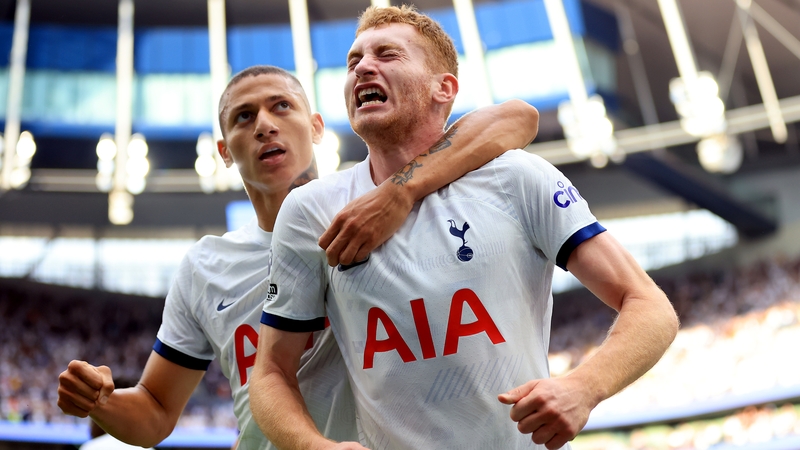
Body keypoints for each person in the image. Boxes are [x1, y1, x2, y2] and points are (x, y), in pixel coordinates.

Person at [251, 6, 679, 450]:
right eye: (353, 61)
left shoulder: (515, 177)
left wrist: (583, 387)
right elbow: (271, 372)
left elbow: (650, 306)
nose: (362, 68)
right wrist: (314, 447)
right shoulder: (310, 210)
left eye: (387, 54)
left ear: (444, 88)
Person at [56, 64, 540, 449]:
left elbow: (517, 118)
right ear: (224, 151)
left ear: (316, 128)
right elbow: (156, 412)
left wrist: (401, 191)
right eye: (244, 117)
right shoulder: (206, 267)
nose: (265, 126)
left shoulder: (378, 213)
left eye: (281, 107)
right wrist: (100, 402)